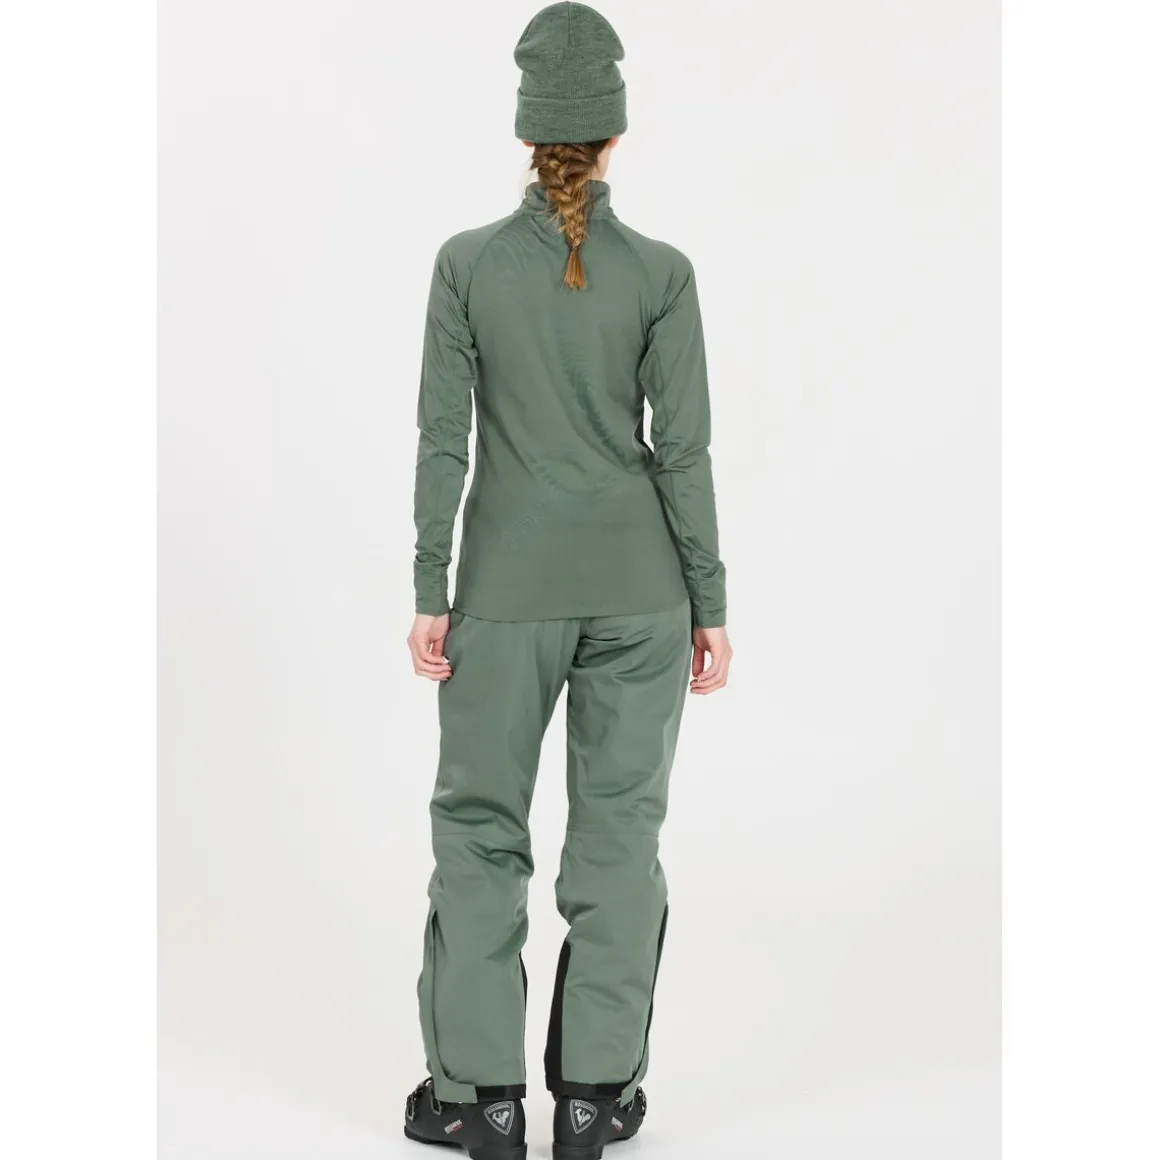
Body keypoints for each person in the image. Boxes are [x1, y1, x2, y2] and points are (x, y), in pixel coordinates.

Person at [402, 5, 730, 1158]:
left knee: (478, 829)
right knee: (617, 840)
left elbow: (443, 440)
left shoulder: (465, 267)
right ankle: (593, 1100)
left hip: (501, 591)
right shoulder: (661, 274)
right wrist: (710, 603)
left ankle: (478, 1100)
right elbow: (683, 451)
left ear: (527, 130)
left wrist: (429, 586)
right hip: (641, 593)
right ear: (612, 134)